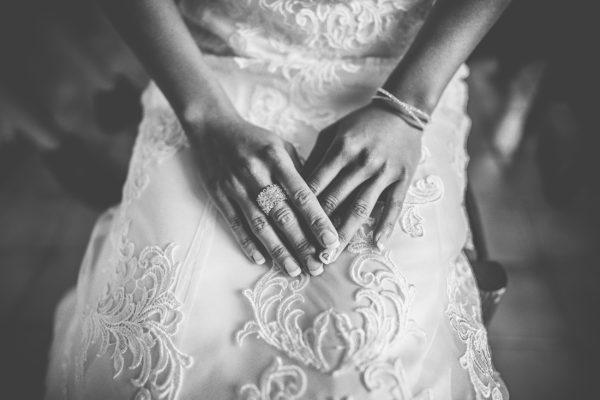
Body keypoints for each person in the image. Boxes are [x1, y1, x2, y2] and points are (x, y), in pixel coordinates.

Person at [45, 0, 511, 399]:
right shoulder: (202, 96)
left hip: (408, 70)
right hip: (203, 72)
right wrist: (204, 115)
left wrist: (407, 108)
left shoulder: (407, 92)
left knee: (380, 340)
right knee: (153, 337)